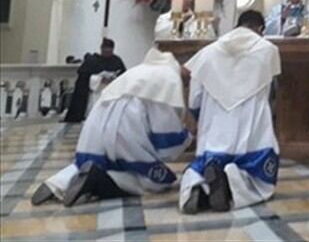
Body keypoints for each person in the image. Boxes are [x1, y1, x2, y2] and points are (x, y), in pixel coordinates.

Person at [32, 48, 191, 206]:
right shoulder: (170, 80)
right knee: (156, 181)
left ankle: (58, 182)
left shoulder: (139, 71)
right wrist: (187, 137)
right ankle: (97, 181)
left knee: (94, 161)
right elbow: (166, 140)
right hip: (124, 131)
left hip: (96, 128)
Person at [180, 10, 282, 214]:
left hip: (215, 121)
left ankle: (197, 187)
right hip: (251, 122)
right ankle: (228, 181)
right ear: (260, 28)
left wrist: (200, 118)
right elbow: (271, 91)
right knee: (258, 170)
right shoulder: (268, 50)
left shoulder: (209, 50)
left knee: (207, 158)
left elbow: (194, 95)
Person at [64, 38, 126, 123]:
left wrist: (113, 79)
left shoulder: (117, 61)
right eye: (105, 50)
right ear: (101, 49)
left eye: (109, 51)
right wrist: (99, 79)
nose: (107, 53)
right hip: (96, 94)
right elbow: (84, 79)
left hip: (111, 94)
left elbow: (123, 76)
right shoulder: (92, 61)